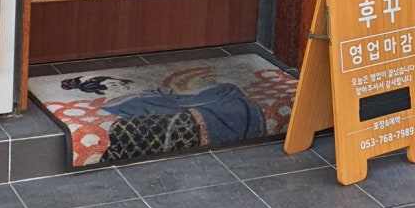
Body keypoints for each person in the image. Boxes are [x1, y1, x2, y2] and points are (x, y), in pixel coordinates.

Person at [59, 73, 266, 160]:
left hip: (173, 102)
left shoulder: (136, 94)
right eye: (111, 83)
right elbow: (150, 104)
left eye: (116, 81)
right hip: (157, 107)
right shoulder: (119, 102)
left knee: (226, 92)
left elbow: (171, 97)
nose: (119, 84)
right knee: (226, 100)